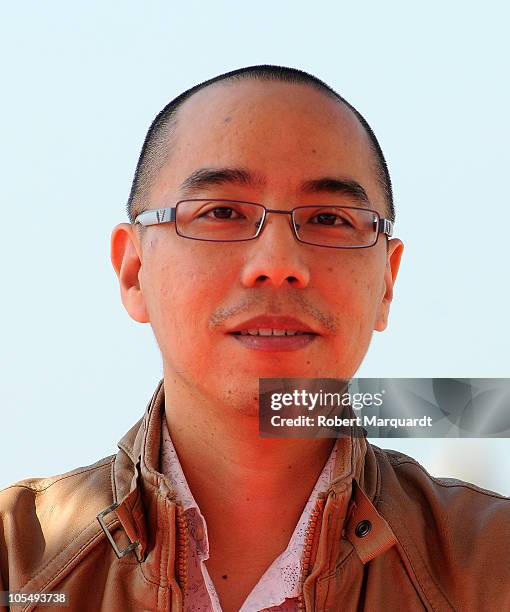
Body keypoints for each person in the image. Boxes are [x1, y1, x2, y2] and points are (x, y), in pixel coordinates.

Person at [1, 65, 508, 612]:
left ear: (387, 281)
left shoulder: (491, 567)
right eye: (221, 212)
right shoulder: (18, 561)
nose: (278, 264)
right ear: (133, 270)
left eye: (331, 219)